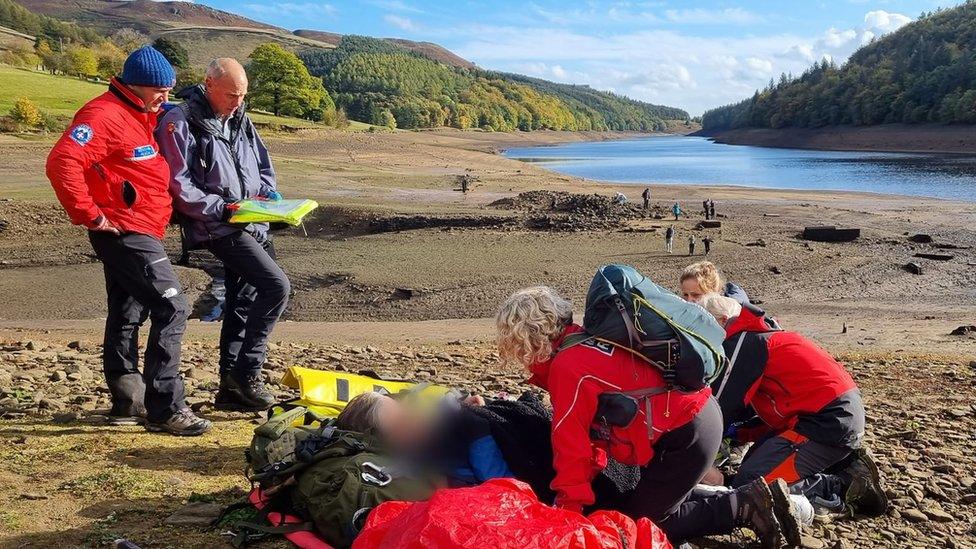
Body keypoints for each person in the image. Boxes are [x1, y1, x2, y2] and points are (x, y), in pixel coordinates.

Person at [495, 286, 798, 548]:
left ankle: (745, 506)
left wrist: (568, 515)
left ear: (527, 338)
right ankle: (745, 498)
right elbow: (592, 436)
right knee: (650, 501)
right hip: (695, 417)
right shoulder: (589, 342)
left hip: (685, 433)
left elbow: (570, 445)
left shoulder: (568, 367)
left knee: (645, 526)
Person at [46, 46, 211, 436]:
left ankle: (127, 401)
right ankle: (165, 407)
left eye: (169, 90)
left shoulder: (140, 114)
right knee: (173, 307)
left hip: (139, 228)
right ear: (135, 84)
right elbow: (62, 161)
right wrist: (90, 213)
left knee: (127, 311)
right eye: (160, 90)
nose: (166, 98)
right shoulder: (103, 115)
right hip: (124, 230)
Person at [156, 58, 290, 412]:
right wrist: (221, 208)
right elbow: (178, 183)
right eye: (231, 94)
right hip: (217, 224)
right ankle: (247, 374)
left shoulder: (240, 116)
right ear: (208, 83)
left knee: (242, 301)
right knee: (276, 286)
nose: (237, 101)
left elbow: (262, 164)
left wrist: (268, 195)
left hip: (252, 220)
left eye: (242, 95)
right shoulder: (180, 121)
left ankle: (230, 392)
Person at [699, 294, 888, 520]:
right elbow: (754, 411)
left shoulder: (742, 342)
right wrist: (736, 434)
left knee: (752, 484)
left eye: (701, 325)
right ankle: (843, 464)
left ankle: (841, 487)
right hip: (830, 416)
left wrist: (696, 456)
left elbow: (721, 405)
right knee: (747, 473)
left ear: (720, 321)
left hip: (825, 422)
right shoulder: (762, 336)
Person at [679, 261, 750, 305]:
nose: (688, 301)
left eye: (696, 295)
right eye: (685, 294)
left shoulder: (728, 318)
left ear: (713, 292)